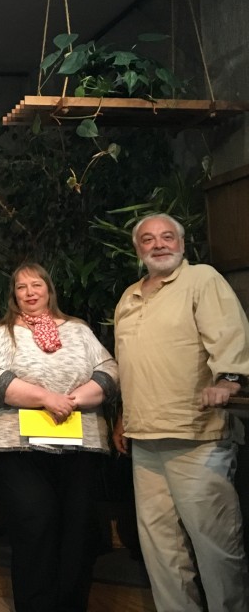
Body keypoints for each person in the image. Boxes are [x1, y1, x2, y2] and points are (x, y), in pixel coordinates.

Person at [113, 213, 249, 611]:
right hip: (145, 437)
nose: (159, 245)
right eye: (149, 240)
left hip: (196, 436)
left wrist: (228, 379)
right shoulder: (128, 296)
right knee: (161, 551)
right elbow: (132, 362)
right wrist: (124, 414)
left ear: (182, 244)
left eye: (167, 237)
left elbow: (229, 333)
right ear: (138, 250)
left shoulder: (201, 279)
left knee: (216, 547)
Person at [0, 263, 118, 612]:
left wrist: (74, 400)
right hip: (20, 449)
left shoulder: (80, 331)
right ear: (14, 296)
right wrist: (45, 398)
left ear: (49, 290)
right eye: (21, 287)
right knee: (33, 529)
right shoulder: (2, 334)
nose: (30, 292)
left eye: (36, 285)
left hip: (80, 446)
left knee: (76, 534)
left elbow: (110, 370)